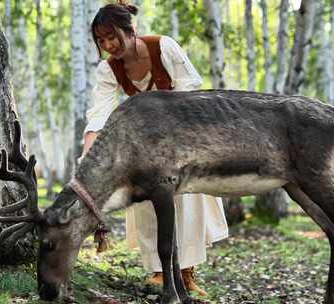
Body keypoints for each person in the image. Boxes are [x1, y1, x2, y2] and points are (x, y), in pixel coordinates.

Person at [80, 1, 228, 296]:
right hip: (147, 145)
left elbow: (189, 92)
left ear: (130, 30)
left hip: (185, 134)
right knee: (147, 202)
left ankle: (186, 272)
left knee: (187, 202)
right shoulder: (109, 69)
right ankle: (160, 272)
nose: (109, 45)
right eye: (101, 40)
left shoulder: (164, 47)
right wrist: (87, 156)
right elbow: (99, 113)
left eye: (113, 37)